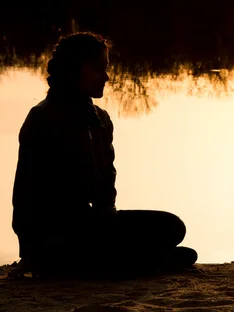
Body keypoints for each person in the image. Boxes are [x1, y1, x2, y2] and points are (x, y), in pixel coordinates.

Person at [11, 32, 197, 278]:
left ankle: (125, 260)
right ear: (73, 70)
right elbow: (25, 194)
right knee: (89, 250)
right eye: (98, 69)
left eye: (106, 68)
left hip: (93, 226)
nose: (107, 77)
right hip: (56, 234)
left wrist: (106, 216)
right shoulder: (43, 118)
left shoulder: (101, 120)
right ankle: (126, 261)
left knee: (172, 226)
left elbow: (106, 183)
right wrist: (31, 249)